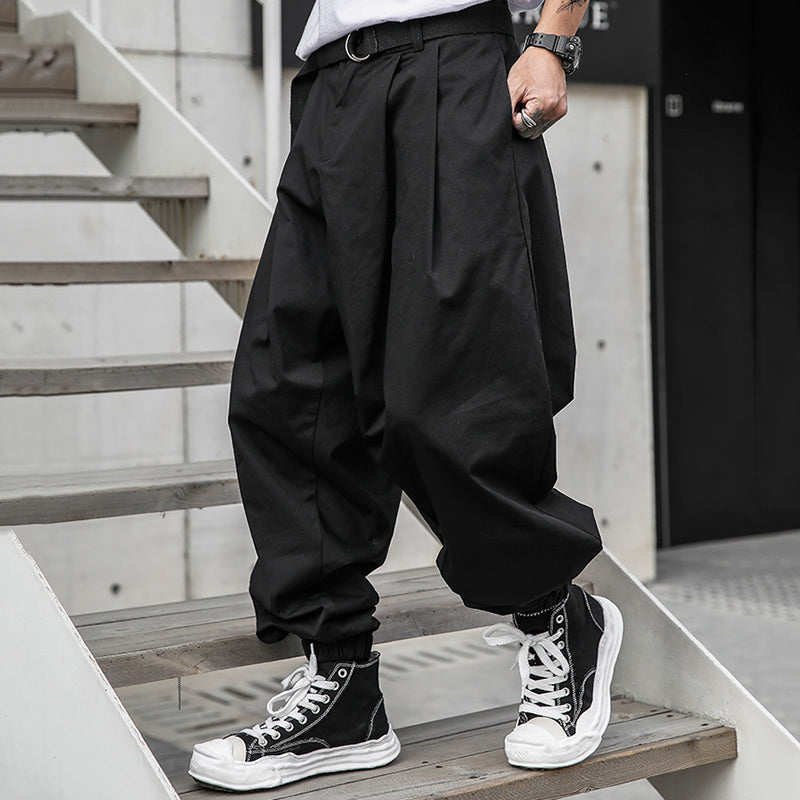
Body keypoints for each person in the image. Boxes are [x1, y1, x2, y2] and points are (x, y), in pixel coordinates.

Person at [188, 0, 623, 791]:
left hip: (450, 68)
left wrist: (555, 38)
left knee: (453, 394)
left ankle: (555, 615)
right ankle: (343, 690)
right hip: (331, 87)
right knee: (288, 390)